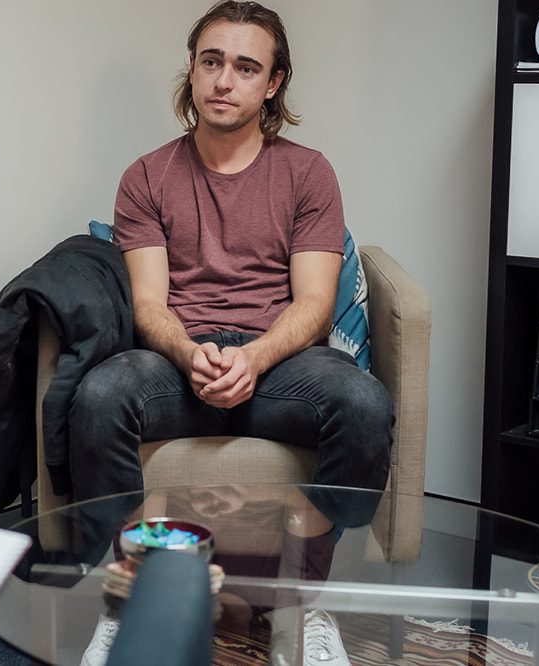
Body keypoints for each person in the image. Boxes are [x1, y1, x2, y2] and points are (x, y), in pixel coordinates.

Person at [70, 2, 395, 664]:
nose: (224, 80)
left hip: (279, 361)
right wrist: (191, 352)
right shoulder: (146, 177)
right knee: (100, 395)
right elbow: (149, 303)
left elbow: (312, 304)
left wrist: (254, 356)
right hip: (177, 363)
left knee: (364, 403)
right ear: (191, 70)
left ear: (273, 83)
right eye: (211, 61)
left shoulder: (308, 174)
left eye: (246, 67)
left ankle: (299, 603)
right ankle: (127, 599)